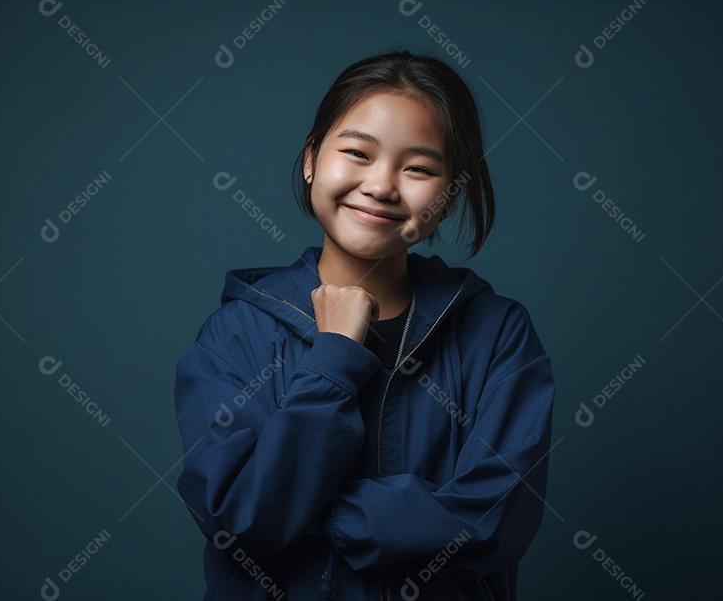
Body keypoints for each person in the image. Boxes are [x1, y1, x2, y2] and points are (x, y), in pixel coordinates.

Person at [174, 49, 555, 600]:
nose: (381, 186)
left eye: (419, 168)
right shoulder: (235, 335)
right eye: (357, 152)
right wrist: (333, 353)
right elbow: (241, 522)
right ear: (311, 158)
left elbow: (490, 524)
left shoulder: (499, 336)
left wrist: (307, 509)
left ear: (449, 197)